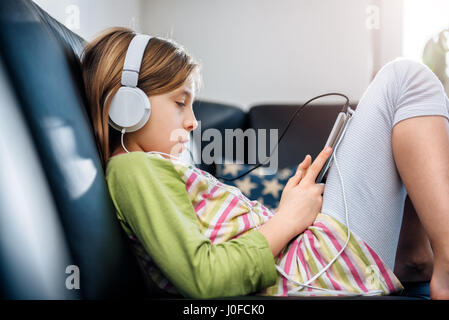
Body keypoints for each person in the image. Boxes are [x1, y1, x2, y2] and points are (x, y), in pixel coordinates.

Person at [81, 27, 449, 299]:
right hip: (310, 269)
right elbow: (204, 278)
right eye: (180, 103)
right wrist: (288, 219)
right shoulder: (134, 169)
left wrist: (289, 212)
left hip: (306, 259)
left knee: (396, 108)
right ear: (126, 106)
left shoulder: (149, 166)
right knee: (403, 80)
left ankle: (416, 258)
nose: (193, 122)